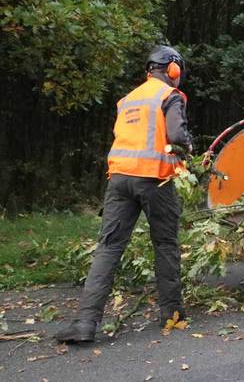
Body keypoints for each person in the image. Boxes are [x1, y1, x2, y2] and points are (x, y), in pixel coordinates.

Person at [56, 45, 193, 343]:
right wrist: (190, 148)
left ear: (148, 70)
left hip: (119, 180)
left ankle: (85, 323)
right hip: (155, 181)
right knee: (166, 244)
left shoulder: (127, 100)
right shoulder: (169, 96)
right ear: (173, 69)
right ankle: (172, 314)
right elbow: (177, 137)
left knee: (109, 248)